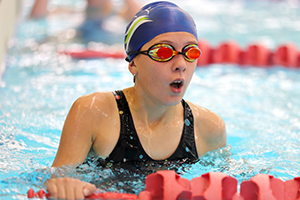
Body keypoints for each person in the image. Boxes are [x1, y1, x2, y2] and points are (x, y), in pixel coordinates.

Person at [46, 1, 227, 199]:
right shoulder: (93, 112)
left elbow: (223, 185)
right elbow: (55, 181)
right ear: (133, 64)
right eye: (164, 52)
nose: (181, 64)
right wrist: (62, 185)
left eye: (190, 52)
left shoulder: (209, 128)